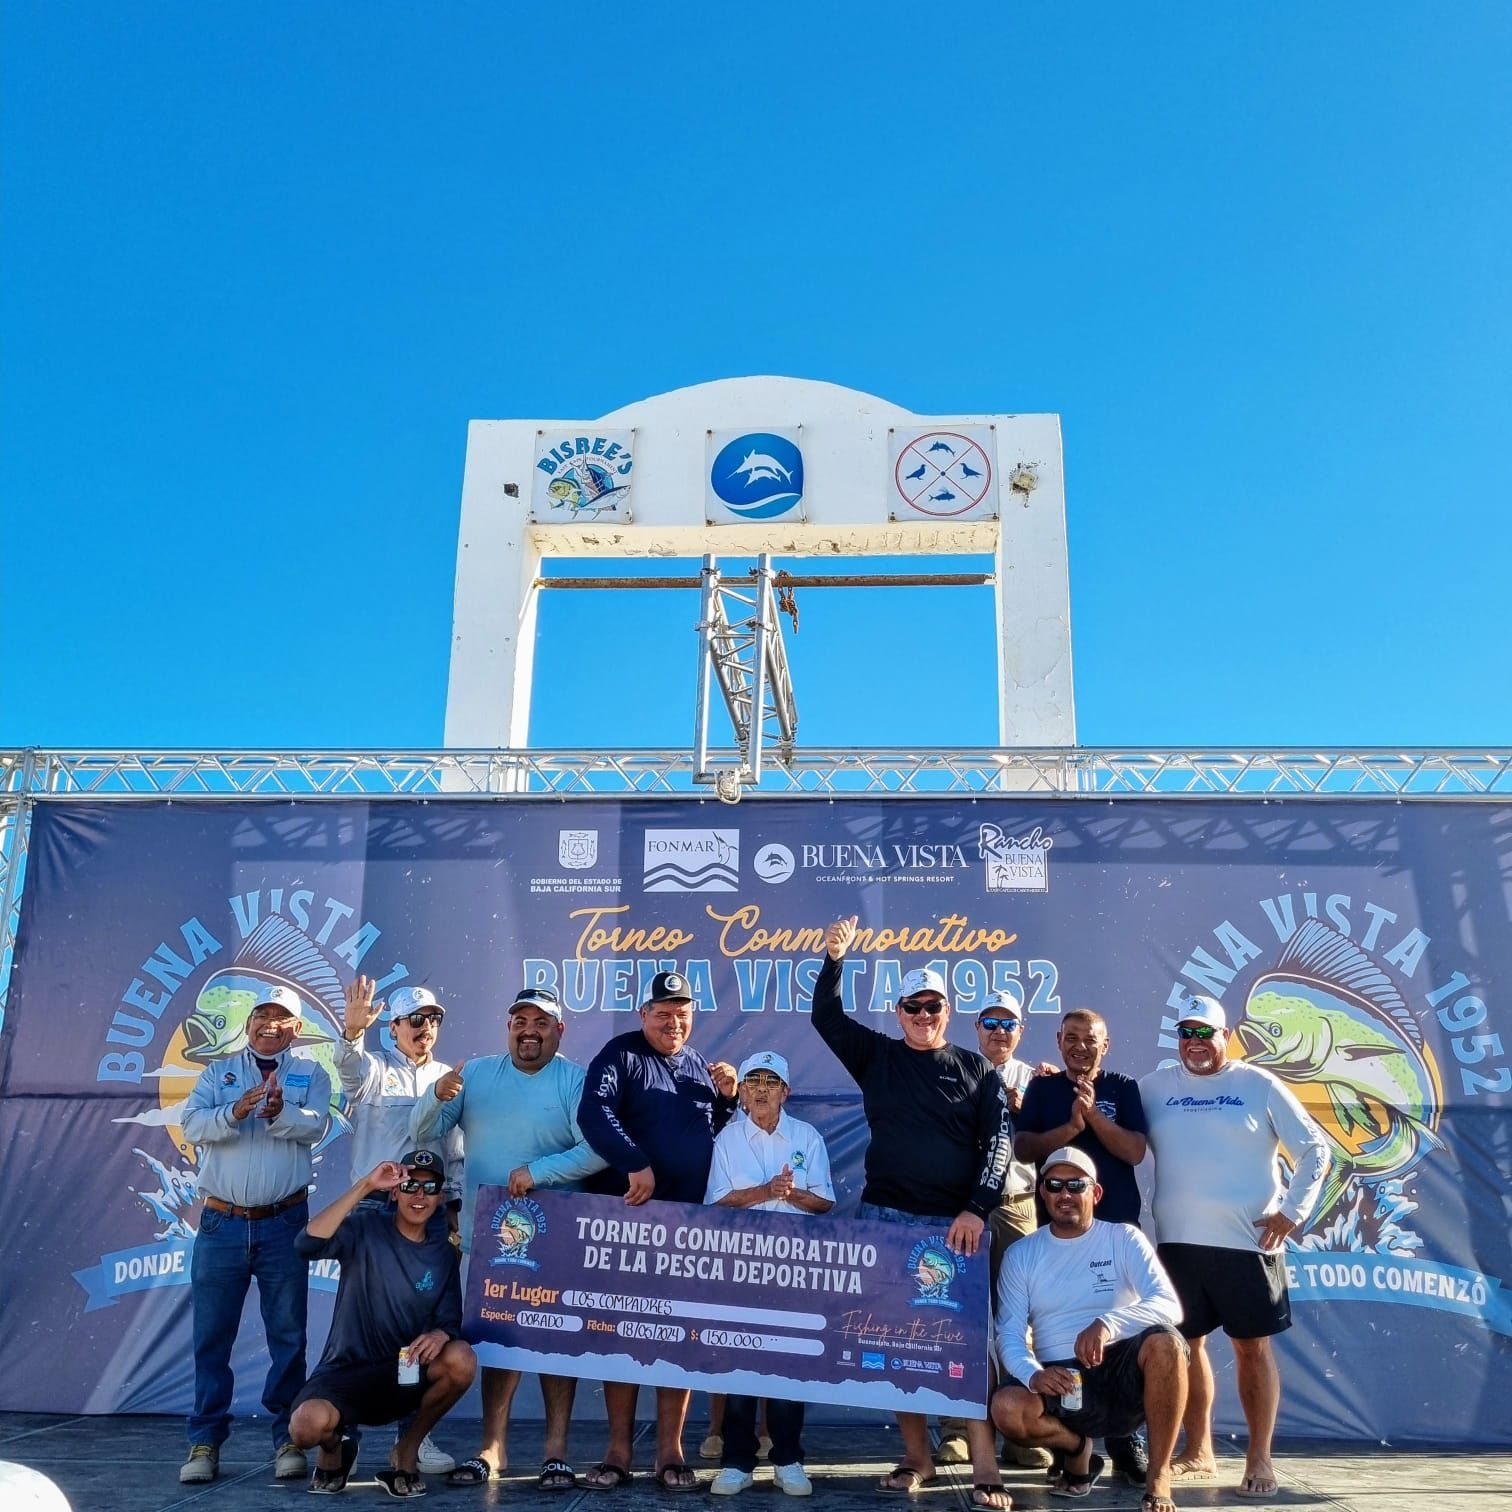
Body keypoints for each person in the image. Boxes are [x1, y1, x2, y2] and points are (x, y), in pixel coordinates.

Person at [812, 916, 1013, 1508]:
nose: (924, 1017)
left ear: (948, 1011)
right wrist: (834, 958)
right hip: (885, 1223)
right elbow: (825, 1018)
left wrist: (977, 1209)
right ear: (898, 1011)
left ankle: (984, 1467)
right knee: (897, 1345)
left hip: (955, 1232)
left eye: (934, 1007)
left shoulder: (977, 1070)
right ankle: (916, 1457)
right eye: (913, 1007)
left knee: (965, 1346)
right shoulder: (876, 1056)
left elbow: (999, 1144)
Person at [410, 983, 608, 1489]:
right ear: (508, 1027)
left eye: (541, 1022)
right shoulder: (475, 1074)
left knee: (556, 1344)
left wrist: (537, 1172)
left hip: (560, 1240)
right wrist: (436, 1097)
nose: (529, 1031)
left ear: (559, 1031)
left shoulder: (575, 1081)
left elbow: (598, 1151)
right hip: (489, 1242)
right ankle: (492, 1450)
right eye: (521, 1021)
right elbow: (424, 1133)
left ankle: (556, 1453)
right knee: (499, 1346)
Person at [1140, 995, 1329, 1500]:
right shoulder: (1154, 1087)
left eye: (1206, 1033)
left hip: (1249, 1245)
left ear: (1227, 1035)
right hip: (1177, 1245)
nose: (1196, 1043)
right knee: (1186, 1348)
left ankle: (1259, 1457)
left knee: (1252, 1348)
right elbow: (1103, 1113)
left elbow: (1317, 1148)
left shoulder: (1258, 1084)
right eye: (1187, 1033)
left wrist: (1294, 1211)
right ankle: (1198, 1451)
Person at [577, 970, 739, 1492]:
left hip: (686, 1229)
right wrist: (635, 1161)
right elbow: (593, 1112)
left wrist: (729, 1100)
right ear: (644, 1014)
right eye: (663, 1013)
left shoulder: (697, 1065)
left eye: (682, 1014)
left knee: (681, 1335)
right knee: (623, 1334)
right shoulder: (619, 1054)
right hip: (628, 1223)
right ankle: (618, 1450)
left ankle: (671, 1449)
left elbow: (715, 1137)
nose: (674, 1022)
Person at [177, 985, 332, 1485]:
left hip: (284, 1222)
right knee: (211, 1337)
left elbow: (316, 1126)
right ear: (249, 1023)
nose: (270, 1024)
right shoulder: (216, 1072)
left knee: (288, 1336)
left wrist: (278, 1114)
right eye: (262, 1015)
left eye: (282, 1018)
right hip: (221, 1223)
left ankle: (288, 1436)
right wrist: (235, 1112)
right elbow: (193, 1125)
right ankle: (205, 1441)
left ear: (296, 1028)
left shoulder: (313, 1073)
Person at [991, 1147, 1187, 1512]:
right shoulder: (1021, 1253)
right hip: (1063, 1378)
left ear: (1094, 1193)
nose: (1065, 1194)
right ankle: (1079, 1450)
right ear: (1043, 1192)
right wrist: (1034, 1376)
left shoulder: (1124, 1238)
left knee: (1167, 1344)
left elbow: (1170, 1305)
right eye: (1054, 1185)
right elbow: (1009, 1334)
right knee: (1007, 1407)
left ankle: (1159, 1479)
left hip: (1125, 1373)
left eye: (1076, 1185)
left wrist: (1107, 1324)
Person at [289, 1151, 477, 1497]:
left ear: (440, 1197)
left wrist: (440, 1333)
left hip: (403, 1373)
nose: (419, 1196)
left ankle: (407, 1449)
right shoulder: (365, 1228)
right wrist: (364, 1186)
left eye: (429, 1187)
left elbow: (450, 1320)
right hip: (345, 1370)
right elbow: (305, 1244)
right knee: (304, 1428)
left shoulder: (442, 1253)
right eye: (409, 1185)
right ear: (395, 1191)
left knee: (461, 1358)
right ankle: (335, 1448)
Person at [335, 976, 465, 1476]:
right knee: (359, 1324)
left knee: (415, 1332)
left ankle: (412, 1434)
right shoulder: (374, 1069)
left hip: (429, 1214)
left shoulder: (451, 1077)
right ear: (392, 1028)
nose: (425, 1028)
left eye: (434, 1020)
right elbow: (348, 1073)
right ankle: (341, 1424)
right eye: (416, 1020)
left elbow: (453, 1153)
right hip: (374, 1215)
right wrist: (351, 1034)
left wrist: (451, 1208)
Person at [1014, 1007, 1149, 1485]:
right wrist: (1071, 1130)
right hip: (1059, 1236)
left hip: (1116, 1231)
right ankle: (1074, 1441)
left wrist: (1093, 1117)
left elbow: (1134, 1151)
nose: (1079, 1046)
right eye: (1070, 1037)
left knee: (1124, 1335)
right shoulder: (1045, 1088)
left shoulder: (1123, 1088)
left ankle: (1127, 1437)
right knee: (1060, 1330)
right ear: (1057, 1040)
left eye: (1089, 1038)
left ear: (1105, 1044)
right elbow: (1025, 1148)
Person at [705, 1050, 836, 1498]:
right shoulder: (727, 1139)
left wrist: (792, 1194)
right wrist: (764, 1191)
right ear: (740, 1092)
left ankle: (788, 1458)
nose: (761, 1090)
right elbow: (715, 1204)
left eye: (770, 1081)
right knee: (740, 1364)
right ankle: (737, 1462)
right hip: (740, 1266)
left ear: (786, 1091)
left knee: (786, 1365)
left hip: (792, 1269)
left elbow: (825, 1202)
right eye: (752, 1082)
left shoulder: (807, 1136)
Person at [967, 993, 1055, 1472]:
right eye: (990, 1022)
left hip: (1018, 1207)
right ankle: (959, 1429)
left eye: (1009, 1023)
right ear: (976, 1028)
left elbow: (1054, 1144)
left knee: (1019, 1320)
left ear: (1021, 1031)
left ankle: (1021, 1431)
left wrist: (1028, 1112)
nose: (999, 1031)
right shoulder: (956, 1070)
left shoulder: (1039, 1082)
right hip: (965, 1211)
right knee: (960, 1317)